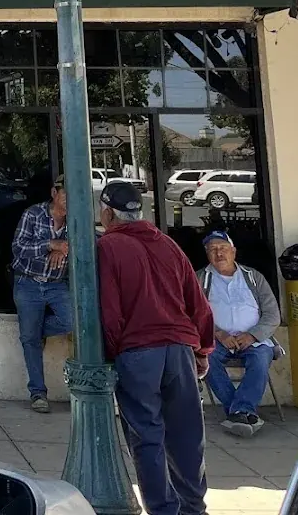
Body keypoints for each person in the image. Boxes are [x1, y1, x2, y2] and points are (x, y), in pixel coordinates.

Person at [97, 182, 216, 515]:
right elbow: (200, 305)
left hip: (138, 353)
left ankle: (164, 510)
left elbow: (110, 312)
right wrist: (202, 349)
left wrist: (110, 355)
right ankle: (194, 508)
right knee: (187, 436)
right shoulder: (168, 244)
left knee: (147, 437)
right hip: (179, 349)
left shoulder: (108, 247)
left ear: (107, 213)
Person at [198, 230, 281, 437]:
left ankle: (238, 412)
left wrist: (252, 335)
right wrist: (218, 333)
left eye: (223, 248)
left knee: (261, 358)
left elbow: (272, 314)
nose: (219, 254)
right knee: (205, 358)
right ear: (207, 254)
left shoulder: (254, 278)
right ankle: (242, 411)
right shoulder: (199, 279)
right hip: (217, 339)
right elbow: (191, 315)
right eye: (213, 250)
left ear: (233, 251)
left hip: (254, 339)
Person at [10, 174, 71, 413]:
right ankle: (38, 393)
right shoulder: (33, 215)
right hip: (28, 283)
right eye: (65, 194)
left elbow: (88, 243)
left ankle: (37, 330)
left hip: (57, 284)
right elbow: (18, 248)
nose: (69, 200)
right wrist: (51, 245)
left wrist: (64, 247)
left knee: (73, 320)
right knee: (29, 341)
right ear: (54, 193)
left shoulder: (76, 219)